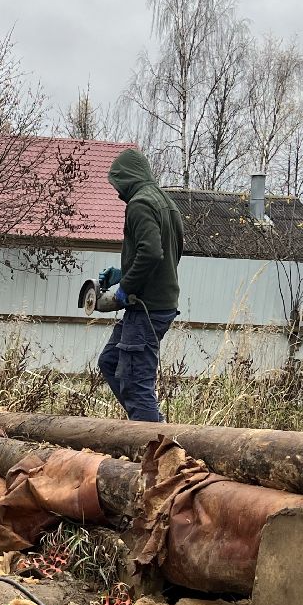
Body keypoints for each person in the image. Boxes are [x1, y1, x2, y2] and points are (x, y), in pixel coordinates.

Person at [94, 148, 184, 422]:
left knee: (135, 383)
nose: (117, 191)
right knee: (109, 362)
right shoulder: (166, 202)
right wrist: (122, 273)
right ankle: (150, 424)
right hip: (153, 304)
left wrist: (126, 288)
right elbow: (167, 255)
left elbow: (152, 253)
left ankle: (155, 446)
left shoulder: (140, 204)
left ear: (127, 178)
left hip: (147, 308)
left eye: (117, 183)